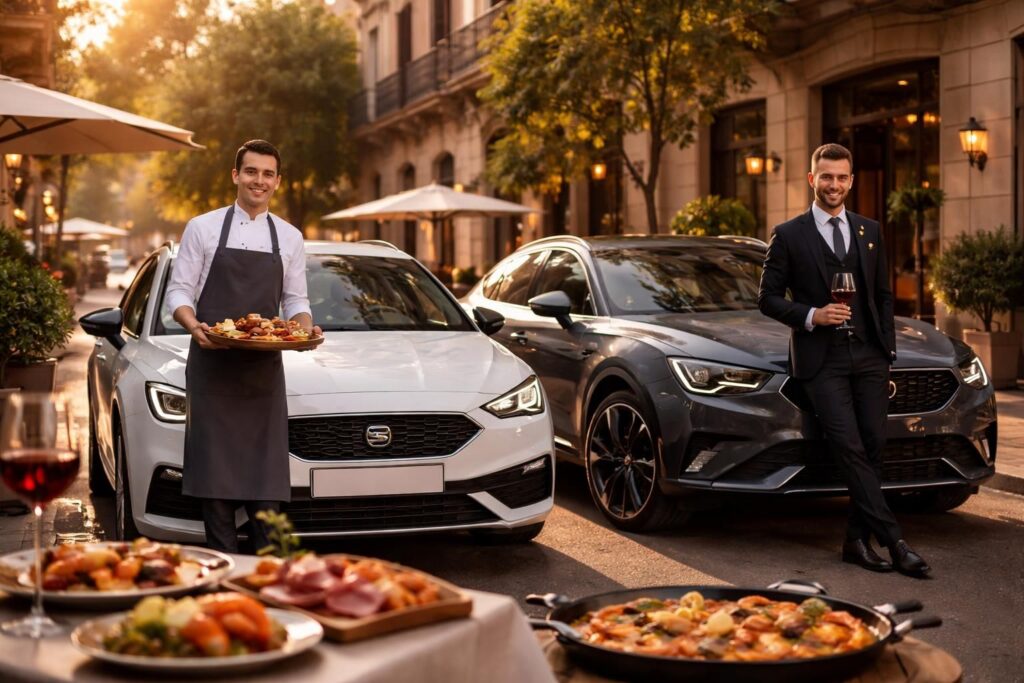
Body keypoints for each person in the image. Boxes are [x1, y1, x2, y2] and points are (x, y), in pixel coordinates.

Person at [757, 143, 931, 578]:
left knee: (874, 445)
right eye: (826, 177)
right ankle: (896, 542)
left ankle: (855, 540)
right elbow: (767, 299)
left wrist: (886, 350)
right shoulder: (789, 234)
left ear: (850, 181)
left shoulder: (869, 230)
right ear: (812, 180)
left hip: (870, 356)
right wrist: (813, 315)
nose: (834, 185)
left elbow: (883, 294)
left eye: (842, 177)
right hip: (823, 359)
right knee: (849, 447)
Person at [165, 139, 321, 553]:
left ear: (278, 181)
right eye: (251, 171)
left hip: (262, 374)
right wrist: (195, 325)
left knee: (266, 487)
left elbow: (296, 300)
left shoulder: (289, 237)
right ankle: (224, 579)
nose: (260, 181)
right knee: (215, 488)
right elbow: (178, 292)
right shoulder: (202, 227)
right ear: (236, 176)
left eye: (268, 174)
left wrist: (304, 330)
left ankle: (266, 577)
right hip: (212, 367)